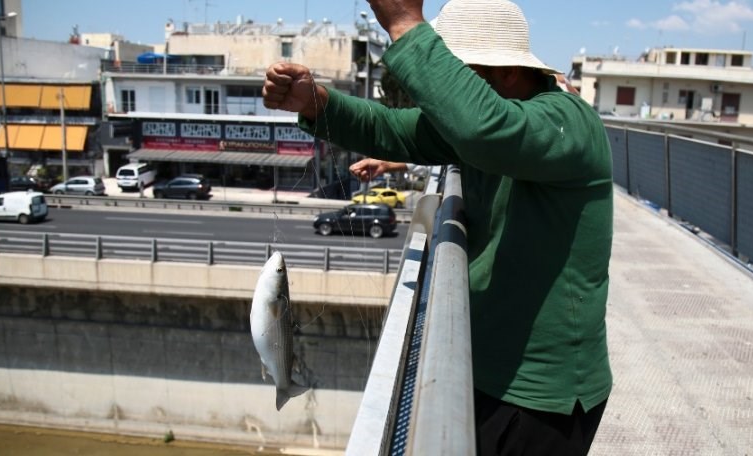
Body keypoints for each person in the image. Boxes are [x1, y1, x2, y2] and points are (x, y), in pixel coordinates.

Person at [262, 0, 613, 454]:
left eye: (457, 73)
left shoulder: (566, 121)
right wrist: (318, 103)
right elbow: (393, 128)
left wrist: (406, 23)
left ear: (506, 74)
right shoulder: (487, 123)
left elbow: (484, 128)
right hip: (488, 368)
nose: (444, 96)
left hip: (541, 396)